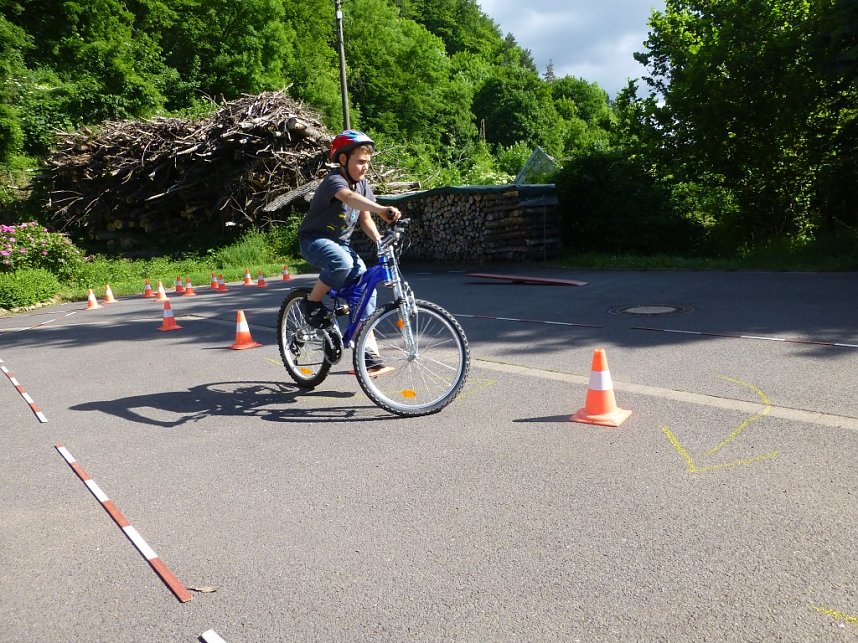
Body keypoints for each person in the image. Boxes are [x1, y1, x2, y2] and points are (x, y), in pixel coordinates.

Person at [298, 129, 401, 374]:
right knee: (342, 263)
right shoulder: (335, 180)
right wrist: (380, 208)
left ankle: (368, 355)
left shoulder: (363, 184)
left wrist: (378, 240)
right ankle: (312, 304)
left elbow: (364, 217)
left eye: (368, 162)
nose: (365, 167)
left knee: (365, 285)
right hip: (315, 239)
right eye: (360, 162)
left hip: (340, 244)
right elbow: (349, 198)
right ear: (343, 160)